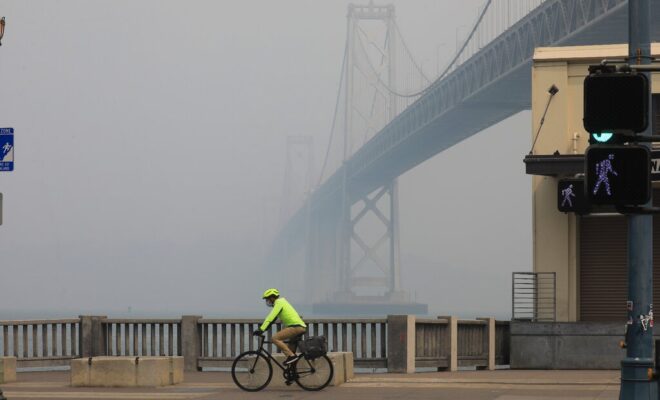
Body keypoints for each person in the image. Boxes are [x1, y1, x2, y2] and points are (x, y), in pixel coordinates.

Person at [253, 288, 307, 365]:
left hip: (296, 327)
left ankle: (291, 356)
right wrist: (264, 329)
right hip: (299, 327)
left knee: (274, 338)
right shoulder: (282, 302)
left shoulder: (279, 303)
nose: (267, 301)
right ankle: (293, 373)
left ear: (272, 297)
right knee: (290, 352)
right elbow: (272, 320)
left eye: (267, 299)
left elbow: (271, 318)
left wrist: (261, 329)